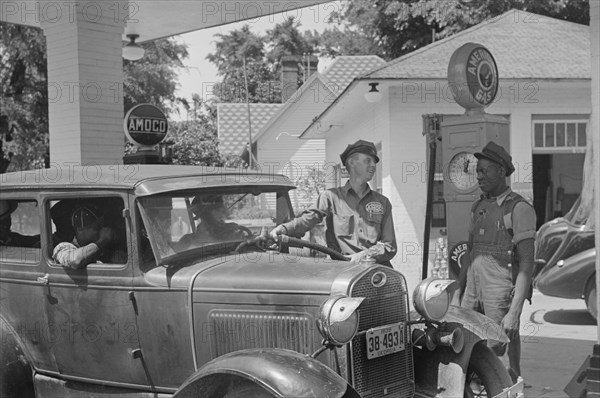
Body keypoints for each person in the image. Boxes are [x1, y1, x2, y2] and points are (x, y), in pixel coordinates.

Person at [453, 141, 536, 383]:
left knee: (498, 353)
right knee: (467, 346)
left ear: (501, 171)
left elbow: (527, 263)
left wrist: (514, 311)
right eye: (477, 170)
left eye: (484, 170)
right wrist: (458, 292)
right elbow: (469, 253)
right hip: (472, 289)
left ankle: (511, 384)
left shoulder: (519, 208)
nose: (478, 176)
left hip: (500, 292)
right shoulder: (478, 206)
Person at [270, 139, 397, 266]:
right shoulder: (330, 197)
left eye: (375, 161)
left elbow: (389, 246)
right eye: (368, 160)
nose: (373, 165)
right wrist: (283, 228)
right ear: (352, 163)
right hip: (342, 269)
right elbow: (307, 220)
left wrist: (364, 255)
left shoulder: (383, 202)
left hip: (377, 271)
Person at [53, 202, 127, 269]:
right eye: (96, 227)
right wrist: (101, 242)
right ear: (80, 230)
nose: (101, 230)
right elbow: (75, 261)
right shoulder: (63, 247)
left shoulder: (105, 248)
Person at [177, 194, 252, 248]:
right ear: (207, 212)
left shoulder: (227, 229)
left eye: (224, 210)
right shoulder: (196, 237)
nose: (225, 214)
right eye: (220, 210)